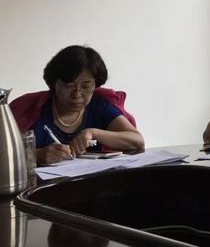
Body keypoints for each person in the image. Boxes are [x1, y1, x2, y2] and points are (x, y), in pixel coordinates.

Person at [10, 45, 144, 165]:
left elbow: (137, 141)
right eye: (69, 86)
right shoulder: (31, 109)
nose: (77, 94)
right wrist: (37, 155)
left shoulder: (99, 106)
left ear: (95, 86)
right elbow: (4, 152)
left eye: (86, 87)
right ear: (54, 84)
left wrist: (93, 133)